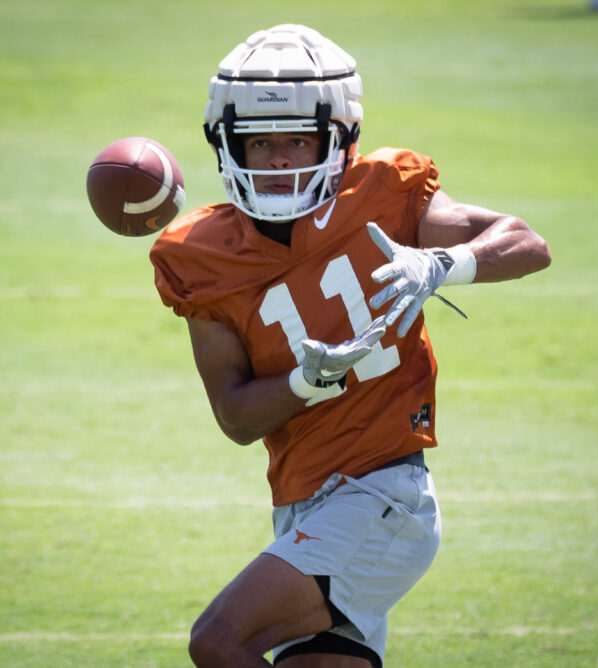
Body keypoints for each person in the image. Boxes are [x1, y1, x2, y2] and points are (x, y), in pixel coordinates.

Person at [150, 24, 551, 668]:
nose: (279, 159)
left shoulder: (387, 192)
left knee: (220, 641)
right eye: (260, 141)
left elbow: (527, 242)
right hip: (302, 501)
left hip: (385, 495)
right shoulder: (196, 255)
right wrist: (307, 382)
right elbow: (235, 416)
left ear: (337, 137)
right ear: (227, 144)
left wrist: (444, 264)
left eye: (298, 139)